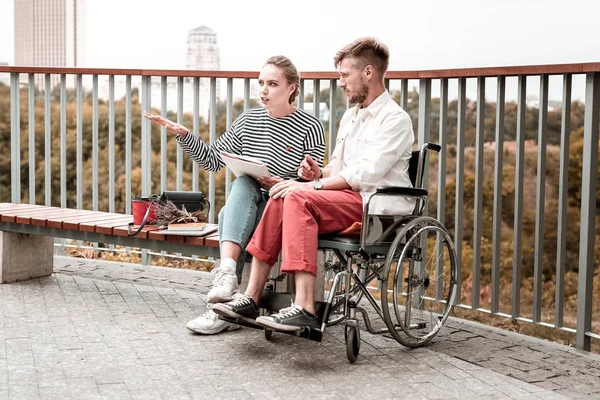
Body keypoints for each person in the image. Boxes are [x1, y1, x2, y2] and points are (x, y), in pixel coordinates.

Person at [212, 37, 416, 331]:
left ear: (368, 73)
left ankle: (304, 307)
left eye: (345, 75)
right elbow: (338, 167)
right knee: (282, 194)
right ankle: (251, 297)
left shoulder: (395, 119)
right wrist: (315, 173)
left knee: (295, 195)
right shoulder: (351, 117)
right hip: (345, 199)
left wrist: (308, 188)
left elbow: (364, 176)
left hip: (375, 205)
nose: (341, 83)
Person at [145, 56, 325, 334]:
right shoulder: (248, 120)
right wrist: (183, 135)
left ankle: (224, 304)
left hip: (284, 208)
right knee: (242, 184)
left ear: (291, 88)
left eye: (273, 84)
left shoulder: (310, 126)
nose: (264, 90)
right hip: (251, 203)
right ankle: (227, 279)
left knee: (228, 213)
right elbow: (213, 162)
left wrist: (300, 177)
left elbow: (314, 181)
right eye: (261, 83)